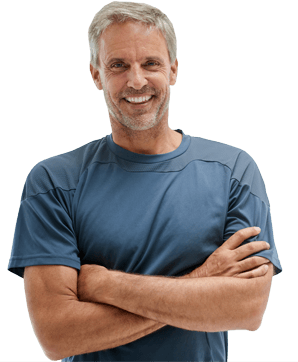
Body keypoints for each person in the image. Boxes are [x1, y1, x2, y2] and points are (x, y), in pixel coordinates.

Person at [8, 2, 282, 361]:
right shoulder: (55, 181)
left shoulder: (233, 170)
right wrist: (204, 281)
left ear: (173, 70)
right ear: (96, 75)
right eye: (118, 65)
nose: (136, 81)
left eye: (150, 63)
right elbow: (58, 335)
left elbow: (246, 308)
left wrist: (105, 284)